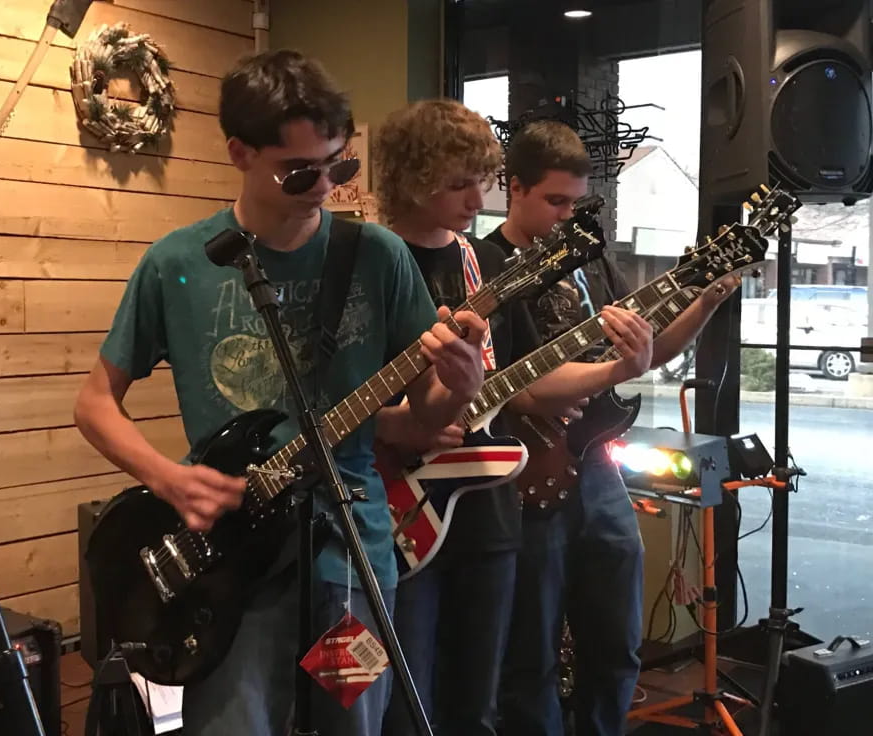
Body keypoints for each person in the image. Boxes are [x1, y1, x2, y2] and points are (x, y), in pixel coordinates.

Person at [73, 50, 492, 736]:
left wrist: (456, 388)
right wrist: (171, 481)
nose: (325, 184)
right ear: (239, 152)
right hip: (232, 565)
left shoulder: (378, 256)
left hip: (351, 560)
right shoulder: (179, 263)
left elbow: (420, 424)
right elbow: (94, 403)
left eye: (341, 165)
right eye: (302, 170)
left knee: (351, 727)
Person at [372, 100, 657, 736]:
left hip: (486, 499)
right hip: (400, 502)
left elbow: (509, 385)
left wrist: (616, 369)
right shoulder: (372, 262)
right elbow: (335, 398)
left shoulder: (483, 265)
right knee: (409, 700)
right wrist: (395, 425)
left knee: (479, 700)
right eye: (459, 183)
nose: (479, 199)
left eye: (485, 180)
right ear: (413, 180)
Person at [486, 119, 742, 736]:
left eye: (576, 201)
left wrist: (703, 303)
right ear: (513, 187)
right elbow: (504, 389)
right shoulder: (485, 267)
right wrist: (606, 374)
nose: (567, 215)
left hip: (597, 465)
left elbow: (644, 354)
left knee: (617, 641)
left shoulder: (590, 260)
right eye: (554, 200)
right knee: (531, 654)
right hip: (526, 473)